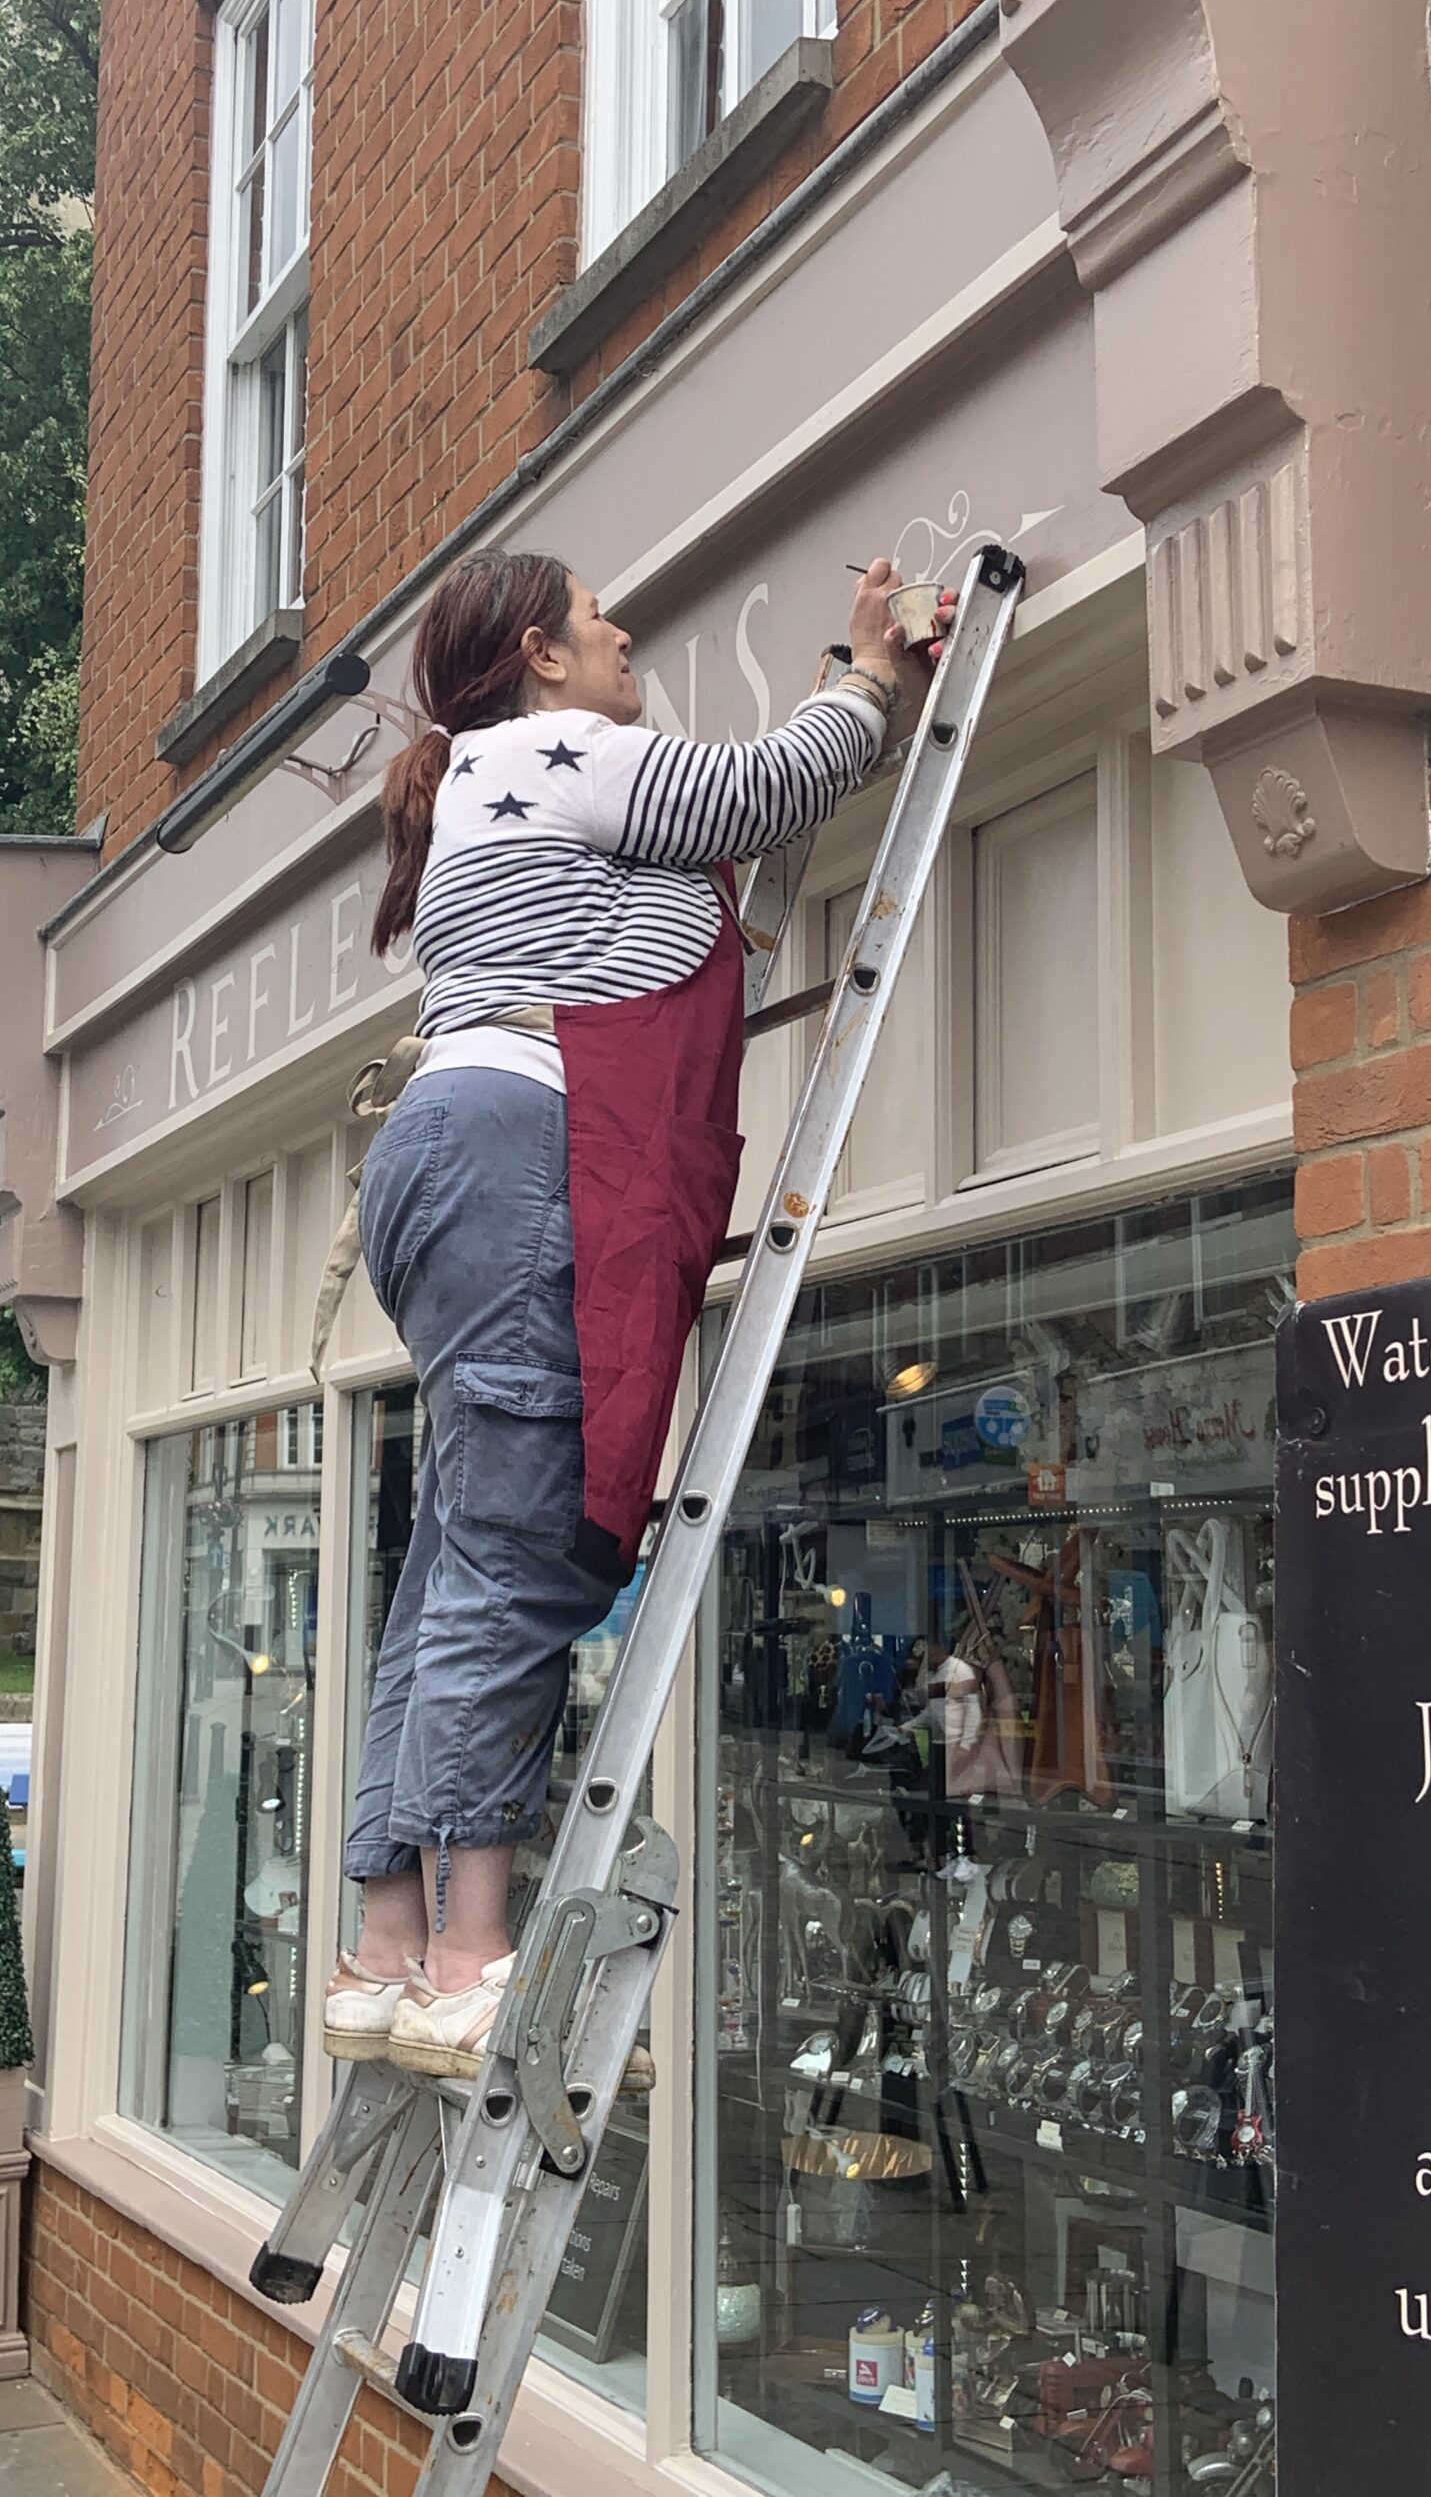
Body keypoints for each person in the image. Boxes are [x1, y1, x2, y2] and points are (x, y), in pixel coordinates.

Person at [325, 547, 944, 2080]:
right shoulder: (562, 749)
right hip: (523, 1147)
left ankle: (388, 1942)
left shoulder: (487, 776)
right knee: (519, 1568)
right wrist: (865, 674)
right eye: (598, 620)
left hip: (446, 1154)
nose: (623, 635)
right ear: (540, 655)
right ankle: (473, 1957)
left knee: (453, 1568)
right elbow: (755, 795)